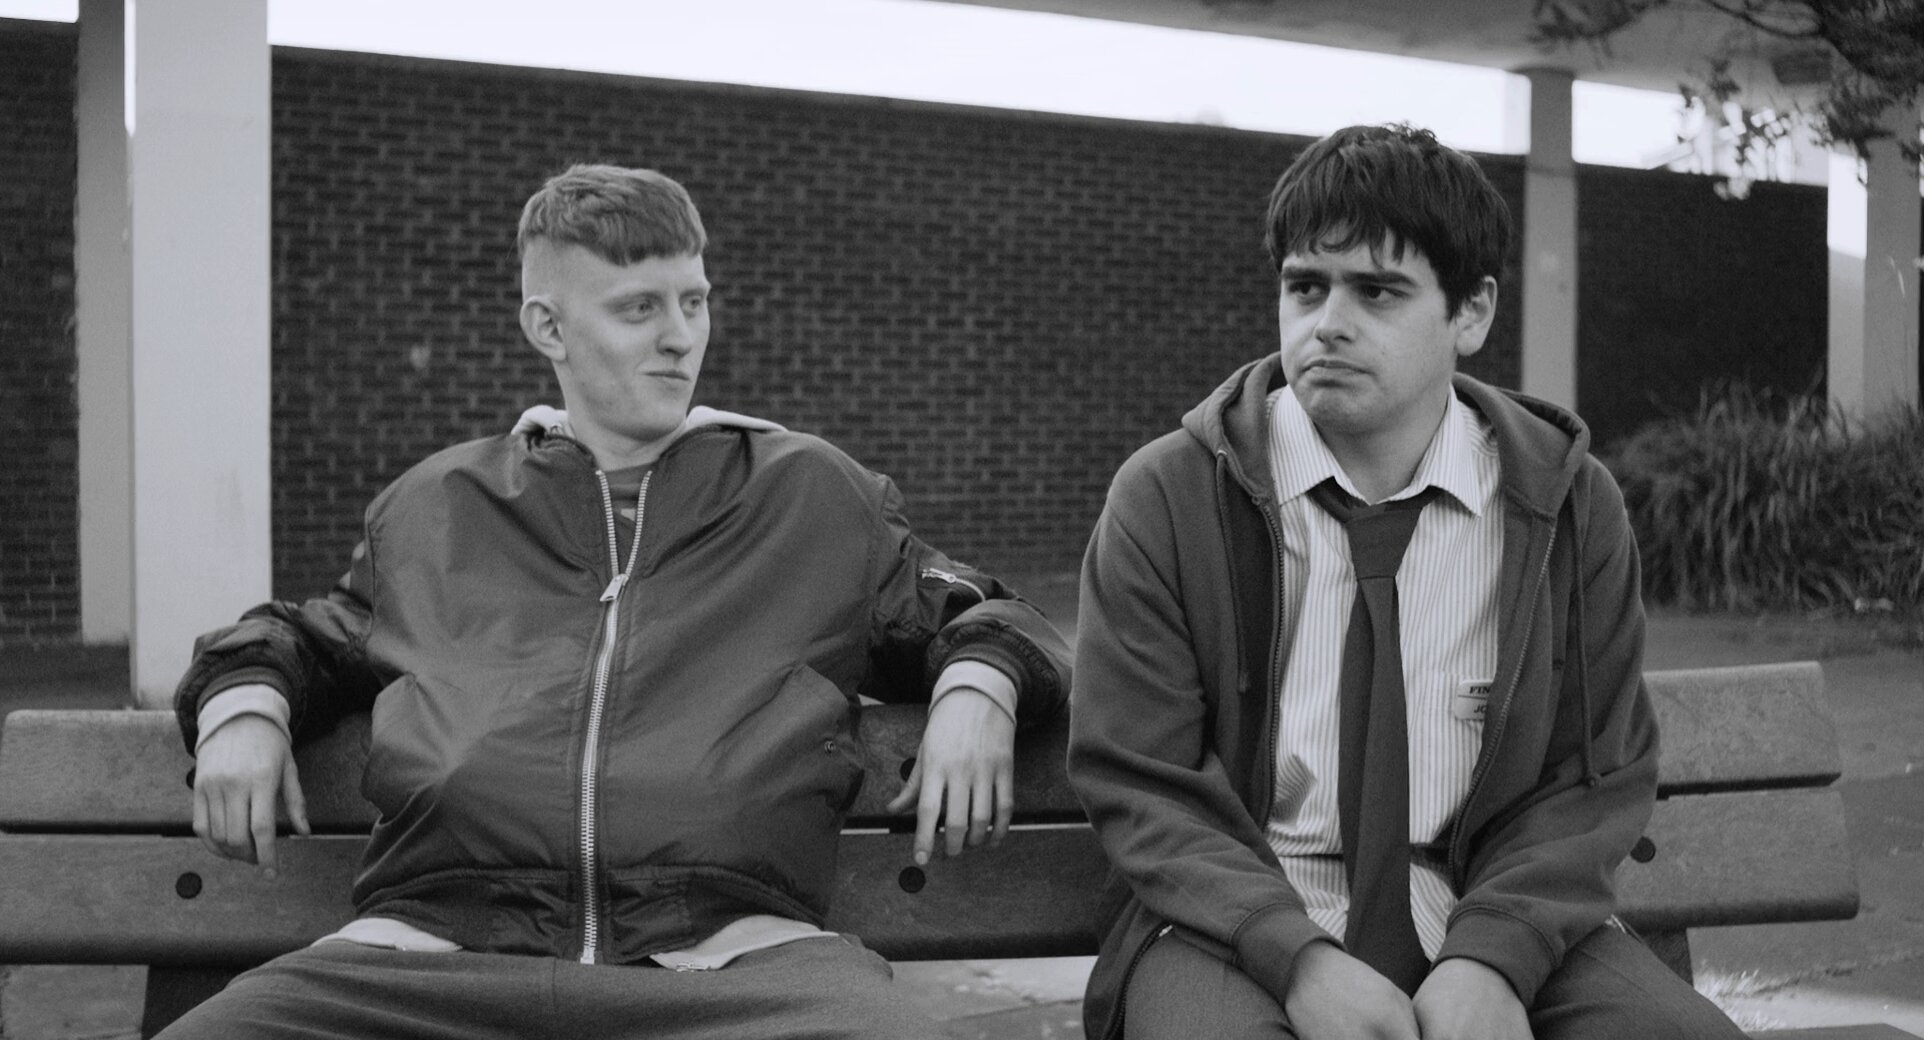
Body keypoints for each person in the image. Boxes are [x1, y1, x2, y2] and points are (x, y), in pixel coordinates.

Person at [165, 163, 1071, 1040]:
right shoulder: (438, 508)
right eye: (640, 308)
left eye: (694, 302)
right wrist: (244, 706)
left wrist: (979, 687)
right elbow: (307, 637)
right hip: (424, 966)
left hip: (741, 976)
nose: (681, 336)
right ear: (548, 328)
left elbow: (985, 615)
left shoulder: (814, 500)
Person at [1066, 124, 1745, 1040]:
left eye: (1378, 291)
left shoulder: (1565, 504)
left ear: (1472, 313)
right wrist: (1297, 958)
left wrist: (1492, 956)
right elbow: (1144, 781)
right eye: (1306, 287)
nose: (1328, 323)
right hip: (1231, 919)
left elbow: (1591, 775)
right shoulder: (1170, 497)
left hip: (1487, 902)